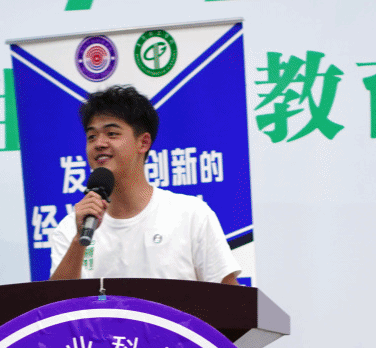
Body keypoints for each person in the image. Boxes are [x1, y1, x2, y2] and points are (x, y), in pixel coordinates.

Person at [49, 85, 240, 285]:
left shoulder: (191, 215)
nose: (99, 144)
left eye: (112, 133)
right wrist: (79, 240)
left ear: (144, 143)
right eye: (92, 137)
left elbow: (231, 298)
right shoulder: (70, 229)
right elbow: (57, 302)